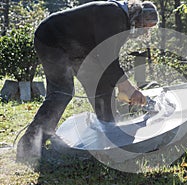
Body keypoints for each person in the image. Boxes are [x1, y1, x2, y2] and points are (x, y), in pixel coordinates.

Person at [16, 0, 159, 164]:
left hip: (77, 48)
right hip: (52, 38)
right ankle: (28, 148)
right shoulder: (114, 15)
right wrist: (129, 88)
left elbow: (107, 62)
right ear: (139, 16)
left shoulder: (121, 19)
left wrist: (122, 86)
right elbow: (108, 59)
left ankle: (111, 133)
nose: (145, 32)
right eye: (146, 26)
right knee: (62, 92)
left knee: (101, 86)